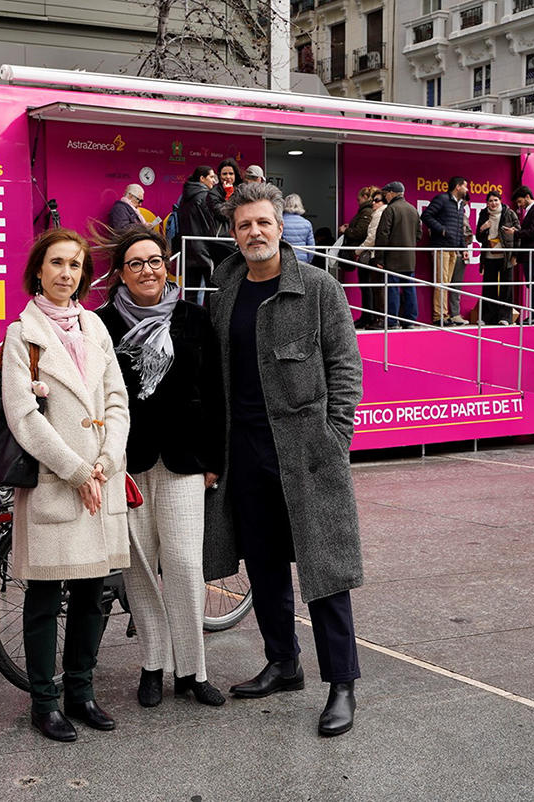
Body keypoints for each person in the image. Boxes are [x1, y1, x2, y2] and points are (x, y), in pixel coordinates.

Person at [204, 181, 364, 738]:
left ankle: (341, 683)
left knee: (324, 571)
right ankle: (283, 661)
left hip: (306, 454)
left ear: (281, 226)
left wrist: (334, 438)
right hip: (243, 452)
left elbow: (346, 367)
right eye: (244, 225)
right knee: (264, 565)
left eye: (263, 223)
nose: (254, 233)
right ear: (233, 233)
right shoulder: (224, 288)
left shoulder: (319, 288)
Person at [2, 228, 131, 743]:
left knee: (90, 593)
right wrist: (77, 470)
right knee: (44, 594)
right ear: (38, 269)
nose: (66, 274)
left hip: (101, 479)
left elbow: (117, 399)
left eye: (75, 265)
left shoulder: (94, 326)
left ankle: (81, 691)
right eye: (57, 263)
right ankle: (44, 702)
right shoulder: (23, 334)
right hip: (56, 484)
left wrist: (106, 458)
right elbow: (23, 416)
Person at [93, 226, 226, 709]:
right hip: (126, 461)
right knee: (142, 569)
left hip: (185, 461)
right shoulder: (102, 324)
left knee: (187, 566)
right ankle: (153, 665)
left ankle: (193, 670)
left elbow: (215, 392)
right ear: (120, 273)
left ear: (167, 264)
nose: (147, 270)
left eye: (154, 260)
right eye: (136, 263)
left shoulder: (192, 318)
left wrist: (214, 459)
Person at [421, 176, 470, 325]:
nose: (467, 189)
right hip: (441, 247)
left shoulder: (460, 205)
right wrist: (441, 230)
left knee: (446, 283)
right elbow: (426, 215)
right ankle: (439, 316)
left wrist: (463, 249)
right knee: (441, 282)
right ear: (458, 187)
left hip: (453, 249)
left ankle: (444, 314)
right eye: (465, 186)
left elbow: (460, 229)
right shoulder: (442, 199)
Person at [373, 181, 422, 329]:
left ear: (392, 193)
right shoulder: (413, 209)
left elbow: (382, 235)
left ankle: (392, 322)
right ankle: (410, 321)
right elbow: (419, 234)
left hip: (392, 258)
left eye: (386, 194)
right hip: (409, 258)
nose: (385, 197)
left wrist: (379, 258)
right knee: (409, 288)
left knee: (392, 289)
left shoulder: (390, 209)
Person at [176, 165, 219, 304]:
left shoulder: (184, 196)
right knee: (210, 290)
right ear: (202, 178)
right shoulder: (205, 196)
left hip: (188, 248)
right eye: (211, 177)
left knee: (190, 292)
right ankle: (206, 322)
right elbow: (211, 223)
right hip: (204, 248)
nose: (214, 181)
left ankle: (190, 322)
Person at [475, 191, 519, 325]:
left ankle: (505, 318)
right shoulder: (483, 214)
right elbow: (478, 237)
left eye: (496, 200)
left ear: (500, 201)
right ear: (487, 203)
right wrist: (483, 228)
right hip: (489, 256)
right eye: (490, 201)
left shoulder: (509, 213)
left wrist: (515, 255)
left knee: (506, 287)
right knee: (489, 286)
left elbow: (518, 233)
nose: (493, 203)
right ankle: (488, 317)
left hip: (506, 256)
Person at [339, 186, 379, 326]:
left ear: (365, 197)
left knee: (366, 286)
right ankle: (367, 317)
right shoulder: (367, 211)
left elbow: (361, 232)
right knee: (366, 286)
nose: (357, 201)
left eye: (359, 199)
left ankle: (367, 318)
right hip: (364, 254)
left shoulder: (366, 211)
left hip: (364, 254)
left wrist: (346, 230)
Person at [509, 186, 534, 324]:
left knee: (533, 283)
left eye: (520, 201)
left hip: (532, 252)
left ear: (527, 196)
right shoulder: (533, 210)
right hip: (529, 253)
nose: (519, 205)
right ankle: (533, 315)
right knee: (531, 283)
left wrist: (516, 233)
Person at [354, 190, 387, 328]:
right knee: (375, 289)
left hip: (375, 256)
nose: (373, 203)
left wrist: (357, 250)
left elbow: (371, 237)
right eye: (373, 200)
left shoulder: (378, 213)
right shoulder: (378, 212)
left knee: (375, 290)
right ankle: (374, 318)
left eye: (377, 200)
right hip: (381, 256)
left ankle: (375, 319)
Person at [281, 193, 315, 265]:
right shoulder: (307, 223)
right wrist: (308, 261)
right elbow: (311, 247)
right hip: (302, 260)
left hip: (285, 259)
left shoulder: (280, 223)